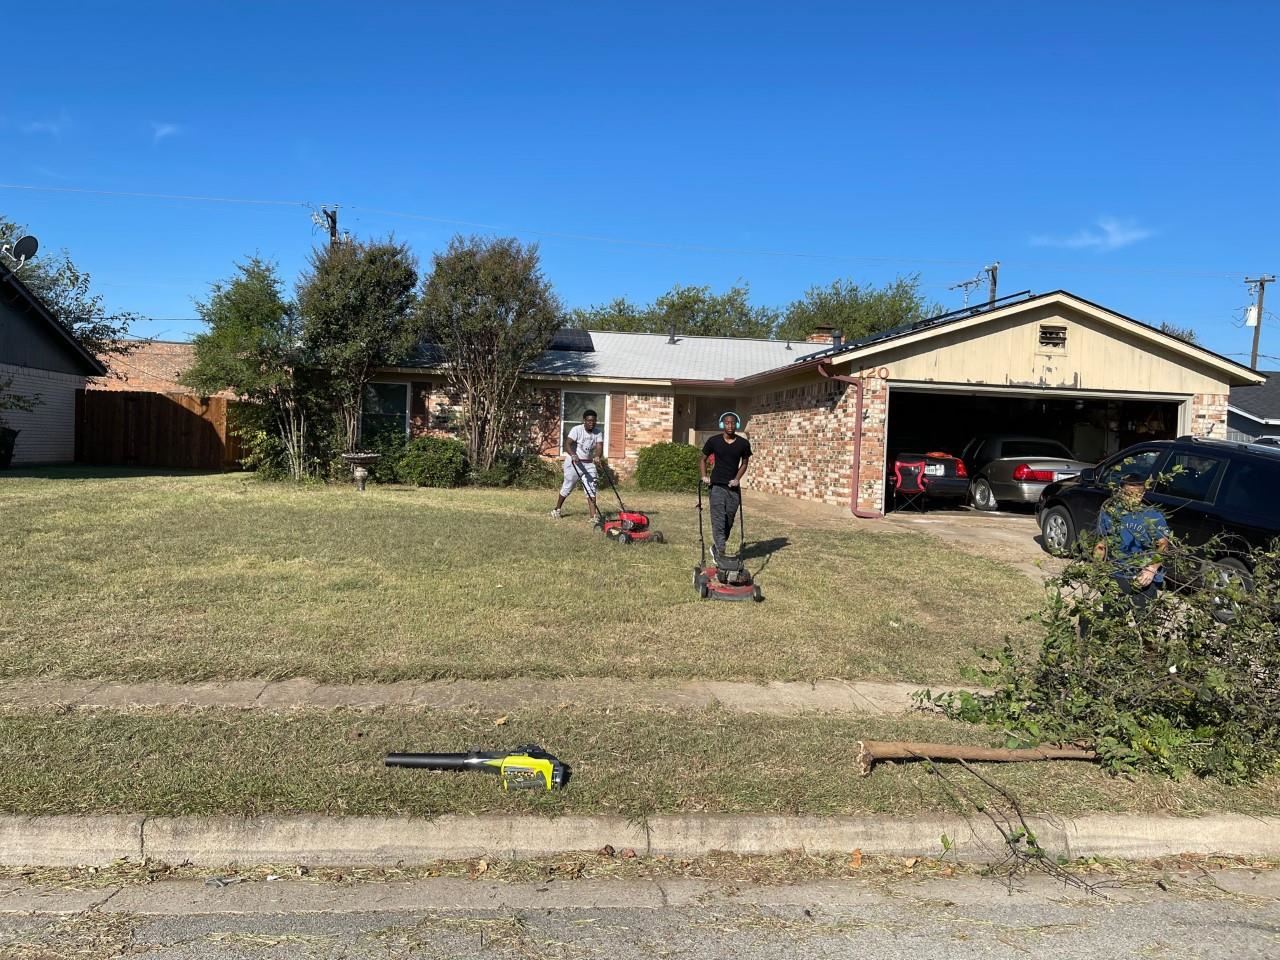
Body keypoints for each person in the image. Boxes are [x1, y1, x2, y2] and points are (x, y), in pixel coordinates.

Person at [1092, 473, 1172, 613]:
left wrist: (1151, 569)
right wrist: (1098, 569)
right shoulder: (1110, 513)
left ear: (1143, 493)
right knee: (1113, 620)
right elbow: (1101, 544)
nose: (1133, 499)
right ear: (1120, 492)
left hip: (1142, 578)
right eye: (1128, 494)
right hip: (1116, 573)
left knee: (1144, 621)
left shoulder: (1153, 516)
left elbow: (1163, 545)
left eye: (1138, 495)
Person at [700, 412, 752, 563]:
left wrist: (737, 479)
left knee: (728, 520)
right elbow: (702, 459)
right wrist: (704, 476)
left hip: (733, 488)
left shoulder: (743, 443)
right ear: (723, 424)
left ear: (737, 424)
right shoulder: (714, 441)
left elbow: (745, 463)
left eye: (733, 423)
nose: (730, 426)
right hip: (716, 485)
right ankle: (720, 552)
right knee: (718, 519)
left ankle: (716, 547)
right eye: (727, 423)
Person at [551, 410, 603, 522]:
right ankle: (557, 509)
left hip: (588, 463)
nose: (591, 423)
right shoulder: (576, 430)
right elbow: (567, 444)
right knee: (568, 487)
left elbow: (599, 446)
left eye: (594, 421)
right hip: (574, 462)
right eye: (589, 421)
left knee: (591, 487)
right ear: (584, 421)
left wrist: (598, 456)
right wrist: (573, 455)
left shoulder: (598, 432)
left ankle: (593, 517)